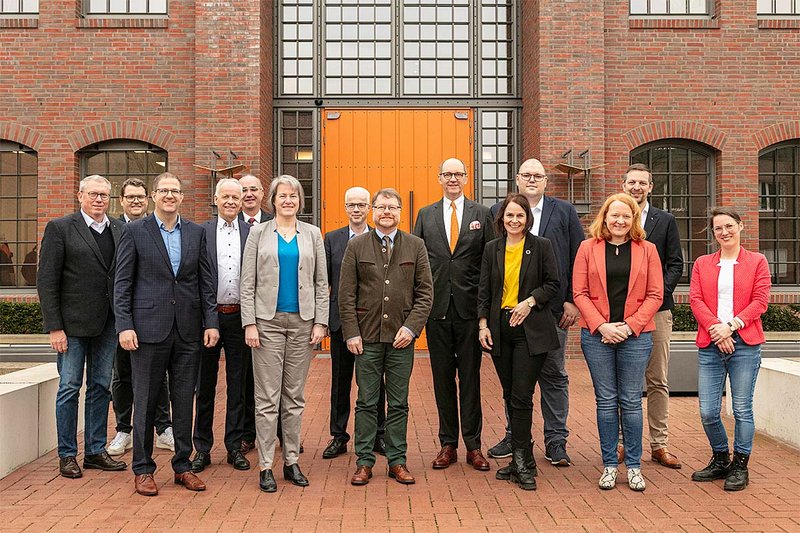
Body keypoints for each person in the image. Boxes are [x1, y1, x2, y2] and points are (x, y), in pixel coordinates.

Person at [115, 172, 219, 497]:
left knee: (184, 399)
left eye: (175, 190)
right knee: (144, 401)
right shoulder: (134, 232)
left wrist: (211, 322)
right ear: (154, 196)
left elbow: (206, 282)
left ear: (182, 196)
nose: (170, 195)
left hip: (188, 330)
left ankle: (183, 466)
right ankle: (143, 469)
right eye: (164, 190)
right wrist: (124, 325)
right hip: (147, 330)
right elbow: (122, 284)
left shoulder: (196, 232)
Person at [488, 158, 584, 466]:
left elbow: (577, 257)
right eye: (526, 175)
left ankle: (556, 440)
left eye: (537, 176)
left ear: (545, 181)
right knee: (514, 381)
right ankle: (515, 436)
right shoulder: (499, 212)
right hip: (508, 316)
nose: (532, 179)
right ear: (517, 179)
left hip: (551, 312)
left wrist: (572, 300)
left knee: (553, 375)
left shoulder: (564, 212)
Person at [240, 174, 328, 493]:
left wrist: (321, 322)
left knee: (294, 398)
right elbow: (246, 281)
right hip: (266, 323)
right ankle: (266, 465)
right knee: (267, 399)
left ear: (299, 201)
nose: (288, 200)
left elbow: (321, 282)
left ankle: (291, 460)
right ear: (272, 200)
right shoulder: (258, 233)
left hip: (303, 322)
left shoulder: (313, 234)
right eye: (282, 196)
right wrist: (249, 322)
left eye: (293, 196)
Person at [339, 188, 433, 486]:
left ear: (401, 211)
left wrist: (411, 328)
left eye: (392, 207)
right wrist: (351, 332)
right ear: (372, 211)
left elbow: (425, 293)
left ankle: (397, 460)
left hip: (400, 339)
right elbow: (346, 294)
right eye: (381, 207)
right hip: (365, 338)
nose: (386, 212)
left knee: (398, 402)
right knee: (366, 401)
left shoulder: (415, 245)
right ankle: (364, 461)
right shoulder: (356, 246)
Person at [37, 174, 127, 478]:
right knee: (69, 388)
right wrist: (54, 327)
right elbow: (47, 281)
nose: (99, 200)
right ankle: (66, 454)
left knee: (101, 387)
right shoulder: (60, 228)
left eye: (104, 195)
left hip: (108, 323)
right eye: (94, 194)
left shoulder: (119, 228)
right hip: (71, 326)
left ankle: (95, 451)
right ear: (80, 196)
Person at [572, 193, 663, 492]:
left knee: (631, 402)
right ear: (605, 217)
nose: (620, 221)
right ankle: (610, 464)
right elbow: (579, 293)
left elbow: (655, 295)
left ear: (634, 219)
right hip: (597, 336)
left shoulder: (647, 250)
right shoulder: (587, 248)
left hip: (635, 336)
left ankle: (634, 466)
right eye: (615, 215)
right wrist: (601, 326)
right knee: (606, 401)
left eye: (626, 216)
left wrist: (629, 326)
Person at [413, 158, 494, 471]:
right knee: (442, 380)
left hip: (470, 312)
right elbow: (417, 263)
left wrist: (484, 312)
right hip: (437, 312)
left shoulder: (482, 214)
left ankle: (474, 445)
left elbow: (488, 265)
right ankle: (448, 444)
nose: (452, 179)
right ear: (439, 177)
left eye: (458, 174)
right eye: (447, 174)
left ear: (465, 178)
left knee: (471, 380)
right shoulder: (425, 215)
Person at [477, 194, 560, 490]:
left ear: (528, 219)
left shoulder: (541, 246)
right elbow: (484, 289)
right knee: (510, 393)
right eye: (509, 216)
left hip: (530, 330)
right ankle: (520, 458)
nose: (514, 220)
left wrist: (529, 302)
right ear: (502, 219)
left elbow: (553, 283)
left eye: (520, 216)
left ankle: (523, 459)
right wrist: (483, 324)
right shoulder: (491, 249)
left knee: (522, 396)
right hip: (500, 330)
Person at [689, 208, 770, 492]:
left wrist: (731, 326)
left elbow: (760, 301)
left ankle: (740, 465)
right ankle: (721, 457)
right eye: (718, 228)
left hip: (745, 344)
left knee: (742, 408)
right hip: (711, 344)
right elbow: (696, 300)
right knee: (708, 411)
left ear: (740, 226)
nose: (724, 232)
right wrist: (717, 328)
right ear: (713, 234)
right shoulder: (702, 263)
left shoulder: (758, 262)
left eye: (729, 226)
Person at [620, 163, 684, 469]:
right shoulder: (614, 217)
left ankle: (660, 444)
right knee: (624, 381)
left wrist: (656, 295)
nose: (636, 187)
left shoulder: (665, 220)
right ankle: (622, 443)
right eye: (631, 182)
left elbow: (676, 263)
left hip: (657, 313)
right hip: (621, 314)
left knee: (657, 379)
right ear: (624, 185)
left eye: (642, 183)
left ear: (651, 187)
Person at [107, 178, 174, 457]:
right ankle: (124, 429)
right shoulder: (110, 229)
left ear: (149, 199)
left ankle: (163, 427)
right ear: (121, 200)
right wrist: (123, 320)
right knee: (122, 375)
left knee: (159, 377)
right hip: (121, 318)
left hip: (154, 319)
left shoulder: (156, 228)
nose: (136, 201)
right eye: (130, 196)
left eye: (140, 196)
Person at [191, 179, 252, 473]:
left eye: (235, 197)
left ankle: (234, 446)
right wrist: (207, 319)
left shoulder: (251, 232)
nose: (230, 201)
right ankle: (201, 448)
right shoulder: (200, 232)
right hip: (208, 320)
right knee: (205, 386)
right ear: (215, 199)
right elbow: (196, 279)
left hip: (240, 318)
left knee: (238, 387)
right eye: (225, 196)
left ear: (242, 201)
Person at [322, 186, 388, 460]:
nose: (357, 209)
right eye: (352, 205)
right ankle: (339, 436)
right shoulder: (331, 240)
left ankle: (378, 435)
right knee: (341, 383)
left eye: (362, 204)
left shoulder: (381, 239)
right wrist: (324, 320)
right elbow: (324, 282)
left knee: (375, 384)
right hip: (341, 324)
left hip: (373, 325)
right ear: (345, 208)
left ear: (369, 209)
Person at [237, 174, 274, 455]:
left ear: (263, 194)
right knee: (245, 378)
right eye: (243, 190)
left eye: (253, 189)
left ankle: (281, 432)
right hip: (238, 313)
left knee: (277, 378)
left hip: (271, 315)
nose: (249, 194)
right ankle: (248, 432)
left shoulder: (275, 224)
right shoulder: (230, 225)